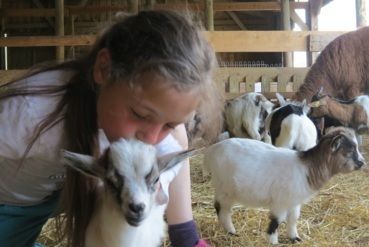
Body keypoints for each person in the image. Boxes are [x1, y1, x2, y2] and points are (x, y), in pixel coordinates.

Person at [0, 10, 224, 247]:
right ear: (104, 69)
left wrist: (185, 237)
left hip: (53, 193)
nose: (151, 138)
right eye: (140, 115)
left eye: (168, 124)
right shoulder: (31, 115)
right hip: (11, 204)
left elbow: (174, 147)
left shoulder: (146, 132)